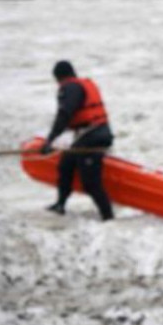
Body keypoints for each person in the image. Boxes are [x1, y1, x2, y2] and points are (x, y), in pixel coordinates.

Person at [42, 60, 115, 221]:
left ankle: (108, 217)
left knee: (90, 182)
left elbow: (64, 115)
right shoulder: (80, 85)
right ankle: (60, 205)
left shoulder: (70, 88)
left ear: (58, 78)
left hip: (93, 138)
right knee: (66, 164)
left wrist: (50, 140)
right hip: (91, 135)